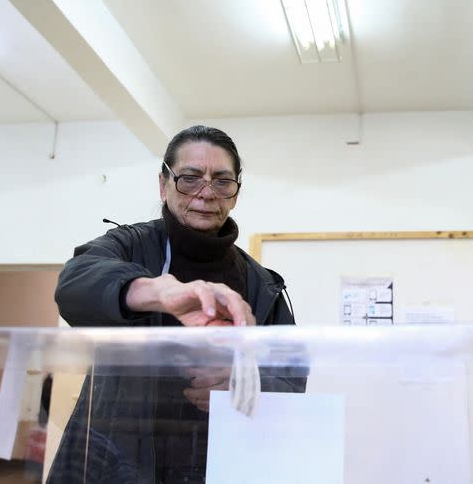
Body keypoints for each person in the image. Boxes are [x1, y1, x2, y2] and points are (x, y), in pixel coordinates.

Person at [47, 126, 305, 483]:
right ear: (163, 184)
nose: (206, 193)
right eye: (190, 178)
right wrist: (156, 292)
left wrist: (245, 383)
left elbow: (292, 378)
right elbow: (74, 285)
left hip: (222, 465)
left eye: (222, 181)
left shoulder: (261, 283)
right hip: (118, 466)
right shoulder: (130, 245)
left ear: (235, 193)